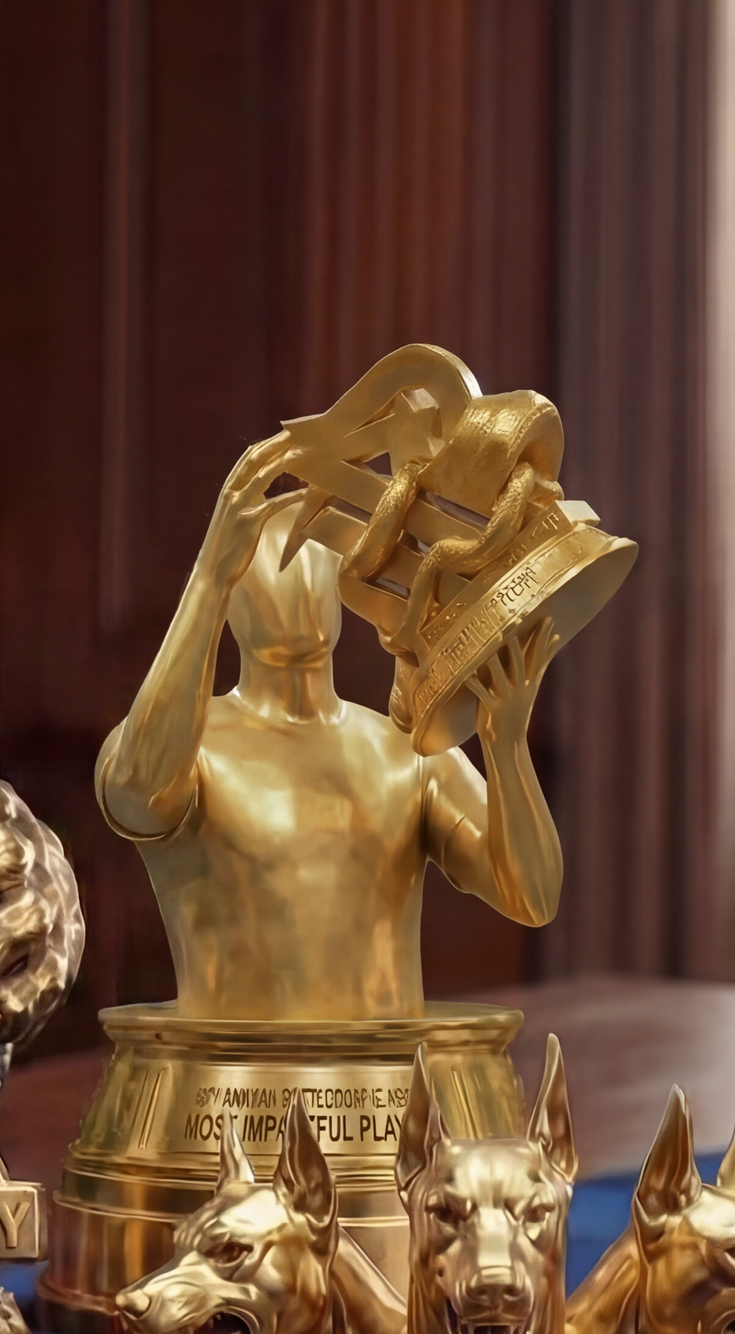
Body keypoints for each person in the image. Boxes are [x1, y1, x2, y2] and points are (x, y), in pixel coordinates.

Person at [95, 434, 562, 1021]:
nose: (295, 575)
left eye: (314, 555)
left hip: (387, 1102)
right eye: (259, 560)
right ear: (228, 596)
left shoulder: (406, 751)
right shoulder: (188, 749)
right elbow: (137, 794)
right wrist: (208, 579)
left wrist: (507, 745)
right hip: (230, 1103)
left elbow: (531, 895)